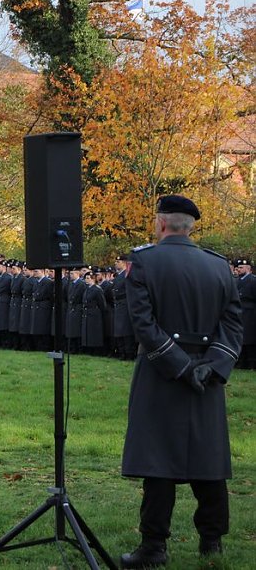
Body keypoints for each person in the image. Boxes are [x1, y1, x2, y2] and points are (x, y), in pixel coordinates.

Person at [120, 195, 243, 569]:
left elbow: (143, 325)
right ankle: (212, 542)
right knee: (208, 457)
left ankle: (154, 546)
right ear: (191, 227)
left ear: (160, 224)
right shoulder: (219, 267)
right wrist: (211, 365)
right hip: (206, 377)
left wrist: (180, 366)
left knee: (159, 461)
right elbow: (233, 325)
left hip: (162, 374)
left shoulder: (144, 261)